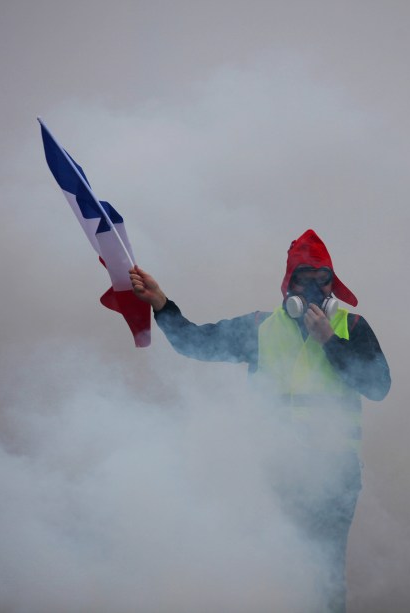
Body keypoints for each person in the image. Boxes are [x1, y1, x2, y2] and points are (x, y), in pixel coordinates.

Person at [130, 229, 390, 612]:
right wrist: (162, 303)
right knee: (276, 572)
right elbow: (194, 342)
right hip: (275, 476)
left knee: (324, 580)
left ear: (334, 285)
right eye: (306, 278)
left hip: (334, 479)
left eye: (324, 280)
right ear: (289, 286)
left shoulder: (351, 327)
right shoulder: (259, 328)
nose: (315, 288)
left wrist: (329, 342)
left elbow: (378, 386)